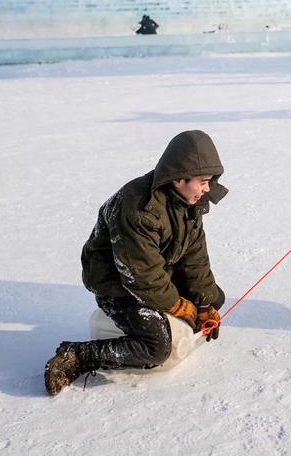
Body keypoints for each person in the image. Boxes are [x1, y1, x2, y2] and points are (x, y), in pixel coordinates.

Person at [44, 130, 229, 396]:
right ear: (179, 178)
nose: (207, 188)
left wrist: (203, 304)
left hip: (153, 270)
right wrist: (178, 305)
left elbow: (194, 258)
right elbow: (140, 276)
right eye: (202, 181)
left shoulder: (189, 202)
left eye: (209, 181)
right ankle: (78, 356)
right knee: (156, 347)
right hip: (118, 283)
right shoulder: (139, 208)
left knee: (213, 299)